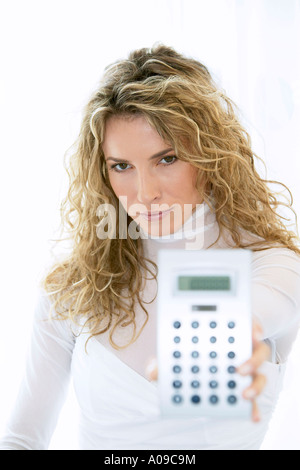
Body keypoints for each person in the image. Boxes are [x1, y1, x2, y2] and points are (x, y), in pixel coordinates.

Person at [1, 44, 300, 451]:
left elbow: (258, 310)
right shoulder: (75, 285)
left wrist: (232, 334)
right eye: (121, 166)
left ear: (211, 154)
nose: (144, 193)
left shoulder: (273, 265)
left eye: (167, 159)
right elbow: (22, 438)